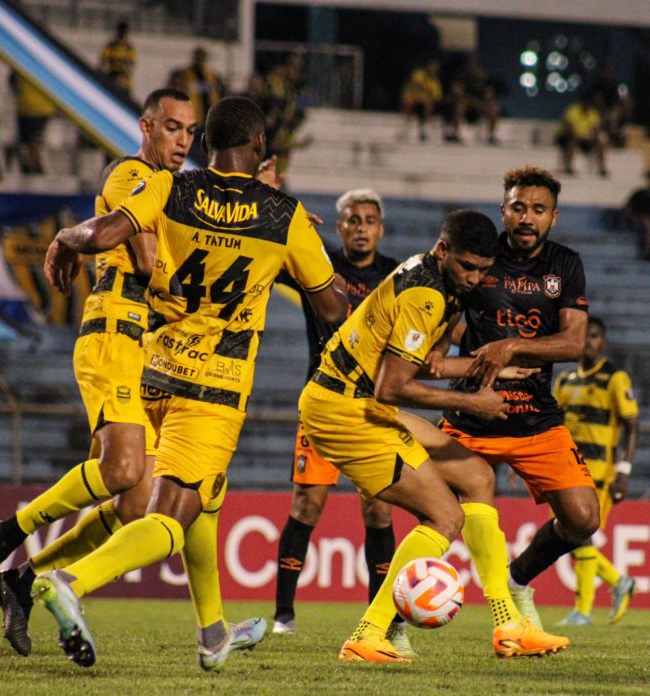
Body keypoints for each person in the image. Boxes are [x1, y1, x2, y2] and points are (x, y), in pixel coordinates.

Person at [31, 95, 347, 668]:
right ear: (258, 148)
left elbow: (102, 235)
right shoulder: (283, 215)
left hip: (154, 366)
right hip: (216, 386)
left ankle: (213, 632)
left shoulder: (169, 187)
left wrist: (63, 240)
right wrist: (300, 260)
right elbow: (330, 306)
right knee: (173, 512)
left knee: (207, 498)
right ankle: (70, 581)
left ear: (205, 147)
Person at [0, 90, 264, 668]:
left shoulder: (176, 192)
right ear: (146, 126)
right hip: (113, 329)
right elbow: (149, 263)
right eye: (171, 127)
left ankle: (24, 581)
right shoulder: (131, 174)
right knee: (124, 470)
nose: (182, 141)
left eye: (190, 131)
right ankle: (6, 534)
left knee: (134, 510)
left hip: (146, 346)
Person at [299, 209, 569, 662]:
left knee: (477, 476)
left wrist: (494, 365)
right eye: (468, 267)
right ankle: (367, 634)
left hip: (365, 403)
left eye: (484, 270)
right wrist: (473, 401)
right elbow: (394, 385)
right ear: (443, 250)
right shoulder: (425, 295)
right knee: (446, 517)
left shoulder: (437, 280)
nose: (475, 278)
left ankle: (508, 626)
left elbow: (427, 365)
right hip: (341, 410)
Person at [439, 165, 599, 630]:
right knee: (437, 518)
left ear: (554, 217)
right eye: (518, 208)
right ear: (502, 211)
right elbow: (444, 333)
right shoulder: (479, 258)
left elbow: (573, 343)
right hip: (471, 415)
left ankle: (518, 579)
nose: (527, 218)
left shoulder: (565, 265)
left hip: (535, 418)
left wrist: (512, 345)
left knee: (584, 518)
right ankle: (392, 625)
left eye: (538, 209)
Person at [273, 189, 409, 647]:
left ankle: (380, 617)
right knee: (306, 506)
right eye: (352, 219)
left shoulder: (396, 275)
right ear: (340, 225)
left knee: (378, 508)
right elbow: (274, 257)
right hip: (325, 402)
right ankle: (284, 615)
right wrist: (271, 195)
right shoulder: (321, 267)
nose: (361, 227)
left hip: (374, 406)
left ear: (381, 228)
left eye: (370, 219)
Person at [553, 316, 638, 626]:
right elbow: (556, 425)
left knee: (579, 534)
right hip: (569, 469)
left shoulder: (615, 379)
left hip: (600, 473)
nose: (589, 342)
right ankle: (618, 583)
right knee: (572, 536)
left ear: (603, 341)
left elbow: (631, 424)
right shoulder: (565, 380)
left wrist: (624, 470)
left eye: (595, 336)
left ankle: (584, 610)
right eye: (584, 336)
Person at [167, 46, 225, 166]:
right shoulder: (184, 74)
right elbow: (173, 90)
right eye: (199, 56)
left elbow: (221, 94)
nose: (200, 59)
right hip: (191, 120)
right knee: (190, 150)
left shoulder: (213, 76)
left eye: (202, 57)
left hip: (208, 121)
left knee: (206, 151)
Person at [9, 73, 56, 174]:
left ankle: (34, 165)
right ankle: (32, 165)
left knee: (33, 140)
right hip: (31, 109)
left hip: (34, 108)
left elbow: (12, 83)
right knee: (30, 141)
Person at [555, 93, 608, 177]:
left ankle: (602, 168)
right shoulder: (573, 110)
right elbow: (569, 127)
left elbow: (595, 129)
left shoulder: (593, 113)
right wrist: (580, 136)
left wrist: (592, 137)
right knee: (573, 140)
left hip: (585, 139)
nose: (587, 105)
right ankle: (568, 166)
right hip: (567, 137)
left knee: (599, 142)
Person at [399, 58, 444, 143]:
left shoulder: (435, 82)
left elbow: (437, 97)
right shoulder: (418, 74)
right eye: (432, 66)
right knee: (409, 102)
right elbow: (416, 86)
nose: (433, 69)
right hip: (412, 100)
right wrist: (422, 95)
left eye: (435, 68)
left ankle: (424, 129)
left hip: (424, 105)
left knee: (429, 104)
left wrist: (425, 97)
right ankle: (405, 127)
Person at [99, 20, 136, 97]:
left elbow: (130, 66)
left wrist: (121, 76)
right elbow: (103, 63)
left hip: (124, 83)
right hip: (111, 80)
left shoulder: (129, 48)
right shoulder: (110, 46)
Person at [622, 171, 650, 260]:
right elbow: (626, 209)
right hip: (638, 223)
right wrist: (638, 218)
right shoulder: (639, 195)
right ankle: (646, 251)